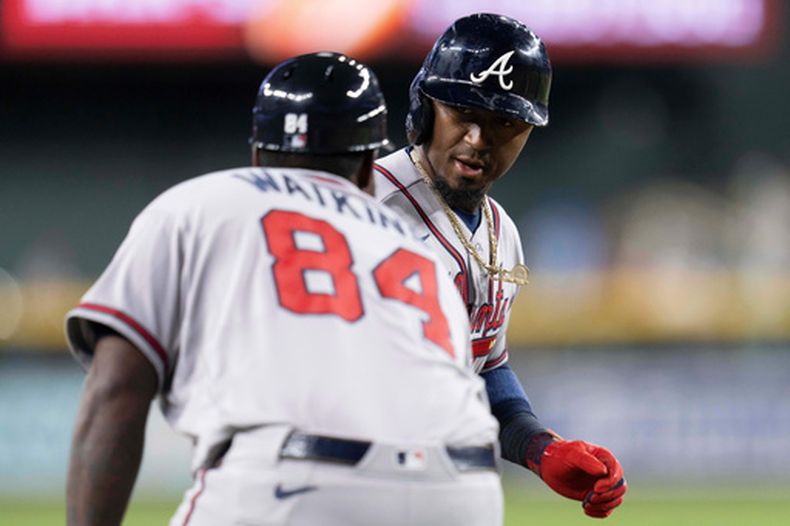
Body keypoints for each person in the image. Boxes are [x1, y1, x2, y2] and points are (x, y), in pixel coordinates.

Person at [65, 52, 503, 526]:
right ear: (366, 168)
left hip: (296, 481)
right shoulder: (420, 255)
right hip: (467, 486)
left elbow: (116, 388)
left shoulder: (198, 204)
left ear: (257, 156)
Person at [374, 13, 627, 518]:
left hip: (436, 491)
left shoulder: (500, 232)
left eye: (504, 123)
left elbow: (486, 366)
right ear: (425, 108)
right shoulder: (367, 207)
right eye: (461, 112)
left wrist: (540, 449)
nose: (477, 138)